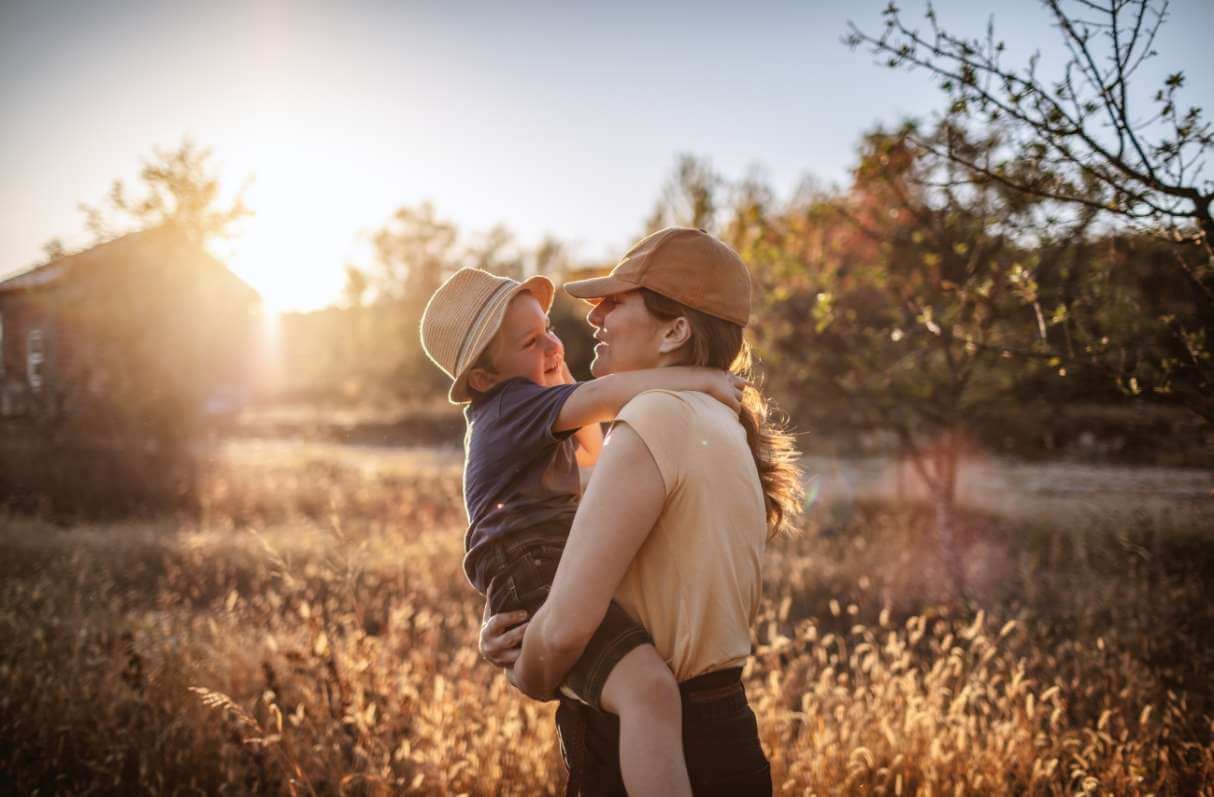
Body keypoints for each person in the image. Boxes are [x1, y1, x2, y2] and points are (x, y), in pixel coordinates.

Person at [479, 227, 803, 795]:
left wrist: (521, 666)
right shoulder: (721, 420)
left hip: (652, 750)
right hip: (724, 735)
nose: (595, 316)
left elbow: (561, 633)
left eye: (616, 301)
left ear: (675, 330)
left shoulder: (655, 417)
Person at [419, 266, 751, 796]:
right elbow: (612, 394)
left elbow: (592, 447)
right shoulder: (512, 407)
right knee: (648, 691)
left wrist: (554, 372)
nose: (553, 343)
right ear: (483, 378)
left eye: (548, 327)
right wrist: (705, 380)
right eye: (532, 341)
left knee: (646, 691)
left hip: (537, 560)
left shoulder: (525, 405)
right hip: (529, 560)